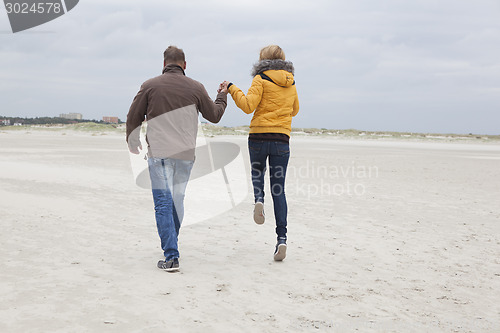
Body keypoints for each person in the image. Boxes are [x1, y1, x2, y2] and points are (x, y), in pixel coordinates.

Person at [126, 46, 228, 272]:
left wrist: (132, 141)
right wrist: (222, 95)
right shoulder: (196, 87)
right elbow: (215, 115)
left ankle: (171, 255)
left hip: (160, 153)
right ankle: (172, 247)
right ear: (184, 65)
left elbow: (133, 116)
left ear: (164, 64)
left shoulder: (150, 86)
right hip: (185, 155)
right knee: (177, 201)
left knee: (163, 203)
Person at [221, 45, 299, 261]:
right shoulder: (291, 81)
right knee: (279, 190)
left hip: (258, 136)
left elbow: (248, 106)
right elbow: (295, 109)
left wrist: (231, 88)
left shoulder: (260, 78)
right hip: (281, 139)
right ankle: (281, 239)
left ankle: (258, 198)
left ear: (263, 59)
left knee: (257, 173)